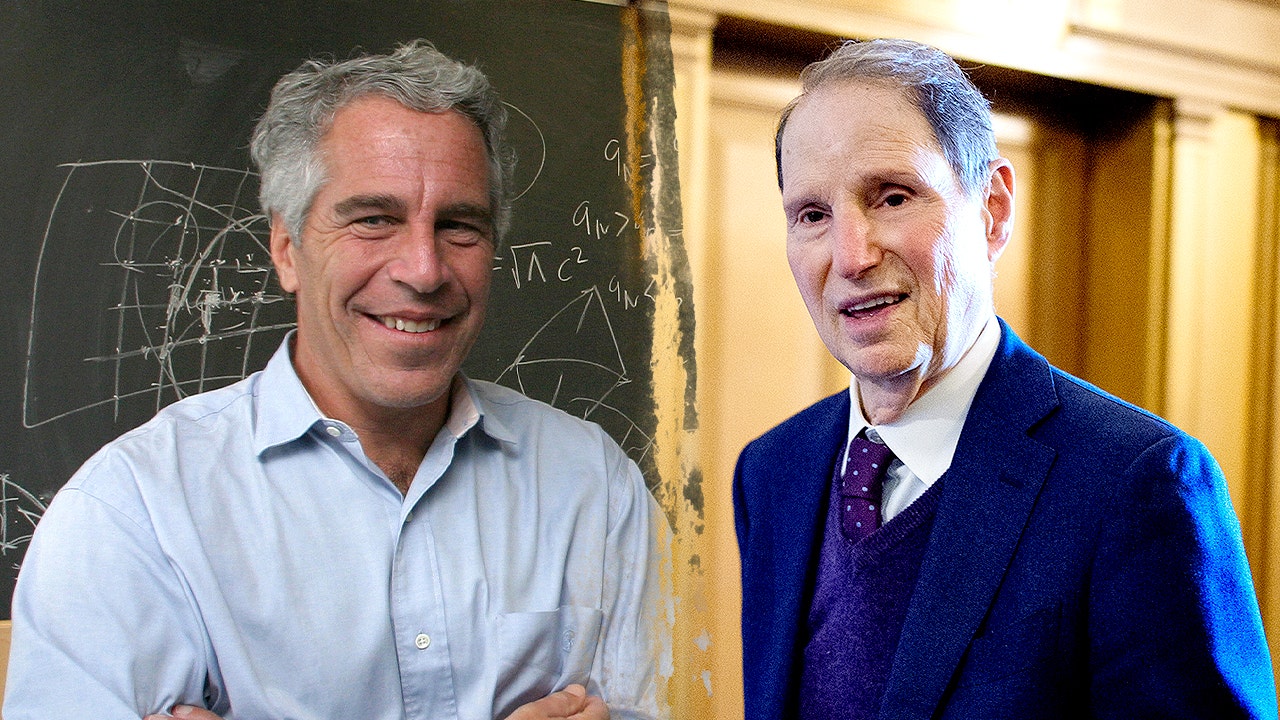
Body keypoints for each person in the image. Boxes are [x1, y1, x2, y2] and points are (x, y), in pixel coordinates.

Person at [6, 40, 665, 720]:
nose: (423, 270)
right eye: (373, 220)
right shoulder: (134, 513)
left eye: (459, 226)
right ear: (286, 249)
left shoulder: (597, 490)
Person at [734, 37, 1276, 719]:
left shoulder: (1137, 482)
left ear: (992, 209)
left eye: (893, 197)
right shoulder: (772, 472)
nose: (850, 256)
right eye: (812, 215)